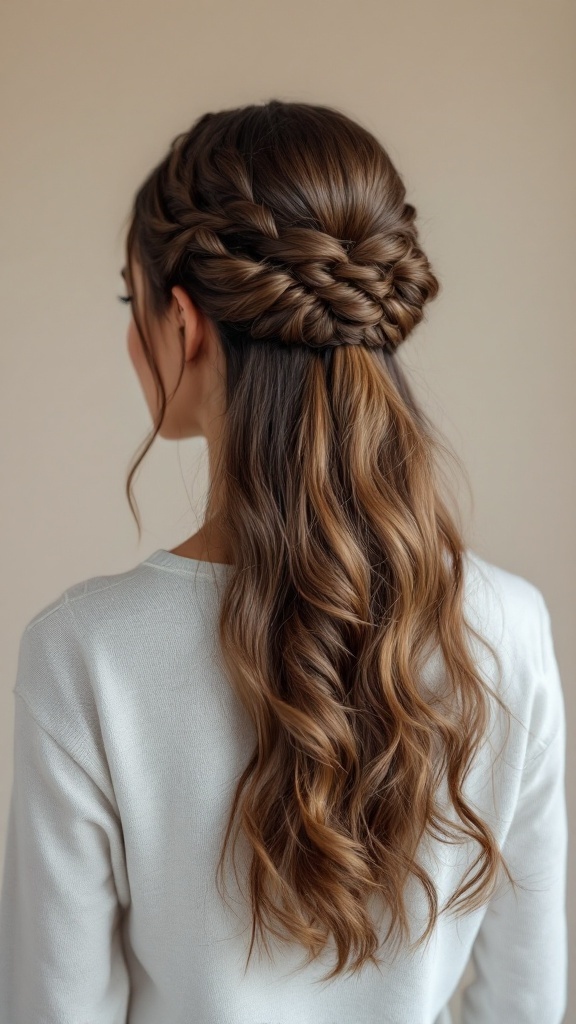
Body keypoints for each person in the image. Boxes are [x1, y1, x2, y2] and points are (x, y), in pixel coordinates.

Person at [0, 100, 567, 1024]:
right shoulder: (509, 626)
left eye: (129, 301)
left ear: (183, 323)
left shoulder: (83, 652)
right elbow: (527, 1003)